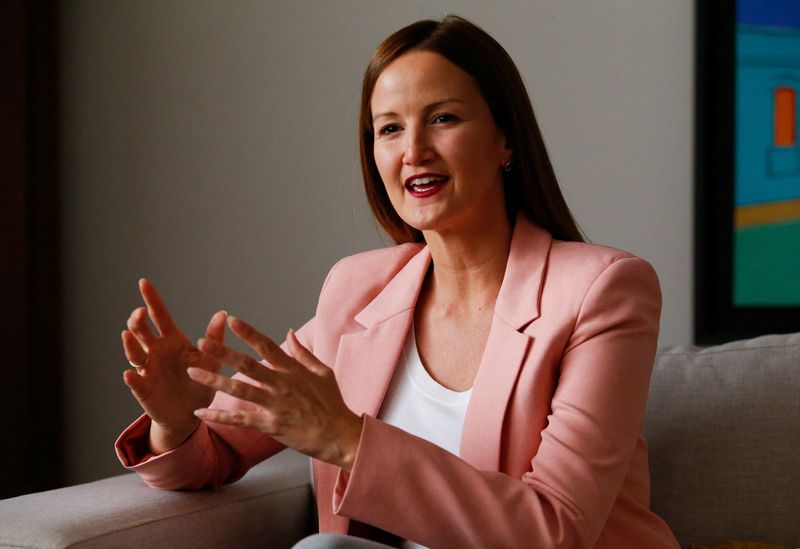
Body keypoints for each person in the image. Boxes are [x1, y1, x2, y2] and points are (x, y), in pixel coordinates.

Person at [116, 15, 679, 549]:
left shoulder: (602, 291)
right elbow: (208, 460)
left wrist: (346, 438)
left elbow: (554, 530)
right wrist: (175, 420)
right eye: (390, 128)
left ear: (505, 139)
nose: (414, 151)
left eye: (443, 119)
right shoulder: (355, 291)